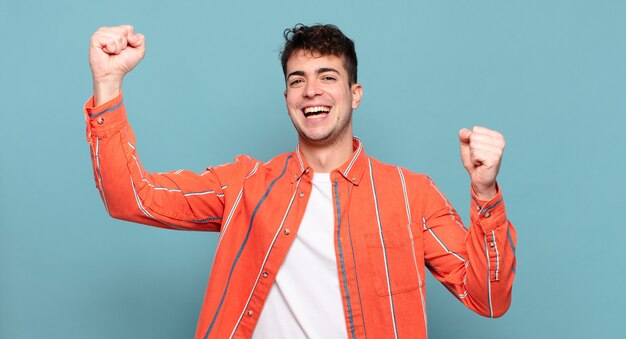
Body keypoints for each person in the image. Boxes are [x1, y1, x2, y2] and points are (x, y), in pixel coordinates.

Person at [84, 23, 516, 339]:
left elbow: (489, 299)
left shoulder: (410, 195)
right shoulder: (245, 184)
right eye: (298, 81)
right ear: (288, 98)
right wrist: (107, 83)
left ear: (355, 93)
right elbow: (131, 198)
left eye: (328, 77)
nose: (312, 91)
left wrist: (484, 193)